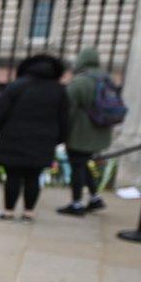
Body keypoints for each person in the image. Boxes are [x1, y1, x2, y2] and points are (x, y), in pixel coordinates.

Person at [0, 54, 70, 221]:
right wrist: (59, 138)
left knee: (12, 175)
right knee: (34, 176)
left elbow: (0, 113)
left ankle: (8, 211)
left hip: (14, 137)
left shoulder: (16, 86)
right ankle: (28, 212)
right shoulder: (59, 91)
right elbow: (64, 119)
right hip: (43, 140)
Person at [57, 47, 113, 216]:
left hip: (81, 133)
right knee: (84, 164)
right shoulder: (106, 78)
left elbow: (68, 109)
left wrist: (63, 132)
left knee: (77, 167)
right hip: (101, 132)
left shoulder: (80, 81)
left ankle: (76, 203)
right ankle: (95, 198)